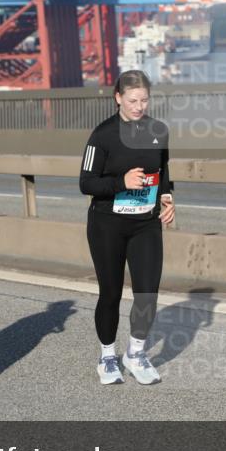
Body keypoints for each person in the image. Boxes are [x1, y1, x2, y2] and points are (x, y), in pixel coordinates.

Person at [80, 70, 175, 385]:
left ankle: (135, 355)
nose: (139, 106)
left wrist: (166, 197)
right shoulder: (103, 134)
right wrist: (121, 182)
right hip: (108, 223)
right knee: (110, 293)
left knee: (147, 293)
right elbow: (86, 182)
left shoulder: (158, 130)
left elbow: (163, 171)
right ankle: (107, 356)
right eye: (132, 100)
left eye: (144, 100)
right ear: (118, 98)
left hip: (146, 224)